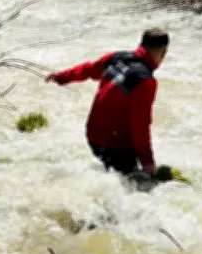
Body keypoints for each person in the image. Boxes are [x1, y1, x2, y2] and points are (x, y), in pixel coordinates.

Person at [45, 28, 169, 177]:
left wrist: (61, 77)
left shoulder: (116, 57)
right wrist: (148, 162)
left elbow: (88, 69)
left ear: (140, 44)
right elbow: (140, 125)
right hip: (117, 145)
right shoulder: (145, 81)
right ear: (163, 54)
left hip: (93, 136)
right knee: (136, 188)